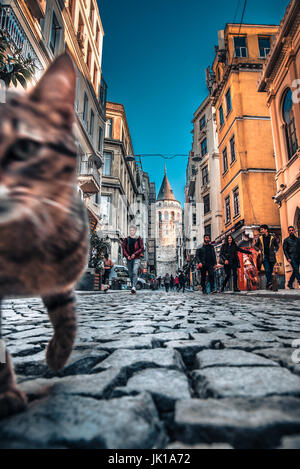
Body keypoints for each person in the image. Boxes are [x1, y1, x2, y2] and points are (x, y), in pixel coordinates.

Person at [254, 224, 279, 290]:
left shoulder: (272, 237)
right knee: (267, 270)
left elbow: (277, 246)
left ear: (266, 230)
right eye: (260, 230)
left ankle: (268, 284)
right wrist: (258, 250)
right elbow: (255, 246)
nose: (261, 231)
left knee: (270, 271)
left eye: (262, 229)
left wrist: (275, 250)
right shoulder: (260, 238)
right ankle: (270, 283)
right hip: (264, 257)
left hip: (272, 257)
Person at [122, 225, 144, 294]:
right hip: (129, 258)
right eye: (130, 230)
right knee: (130, 274)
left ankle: (134, 286)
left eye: (133, 230)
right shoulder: (126, 239)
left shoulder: (138, 239)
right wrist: (127, 255)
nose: (131, 231)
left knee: (135, 271)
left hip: (136, 258)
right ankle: (132, 286)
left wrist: (135, 254)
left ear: (135, 231)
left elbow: (142, 248)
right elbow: (123, 248)